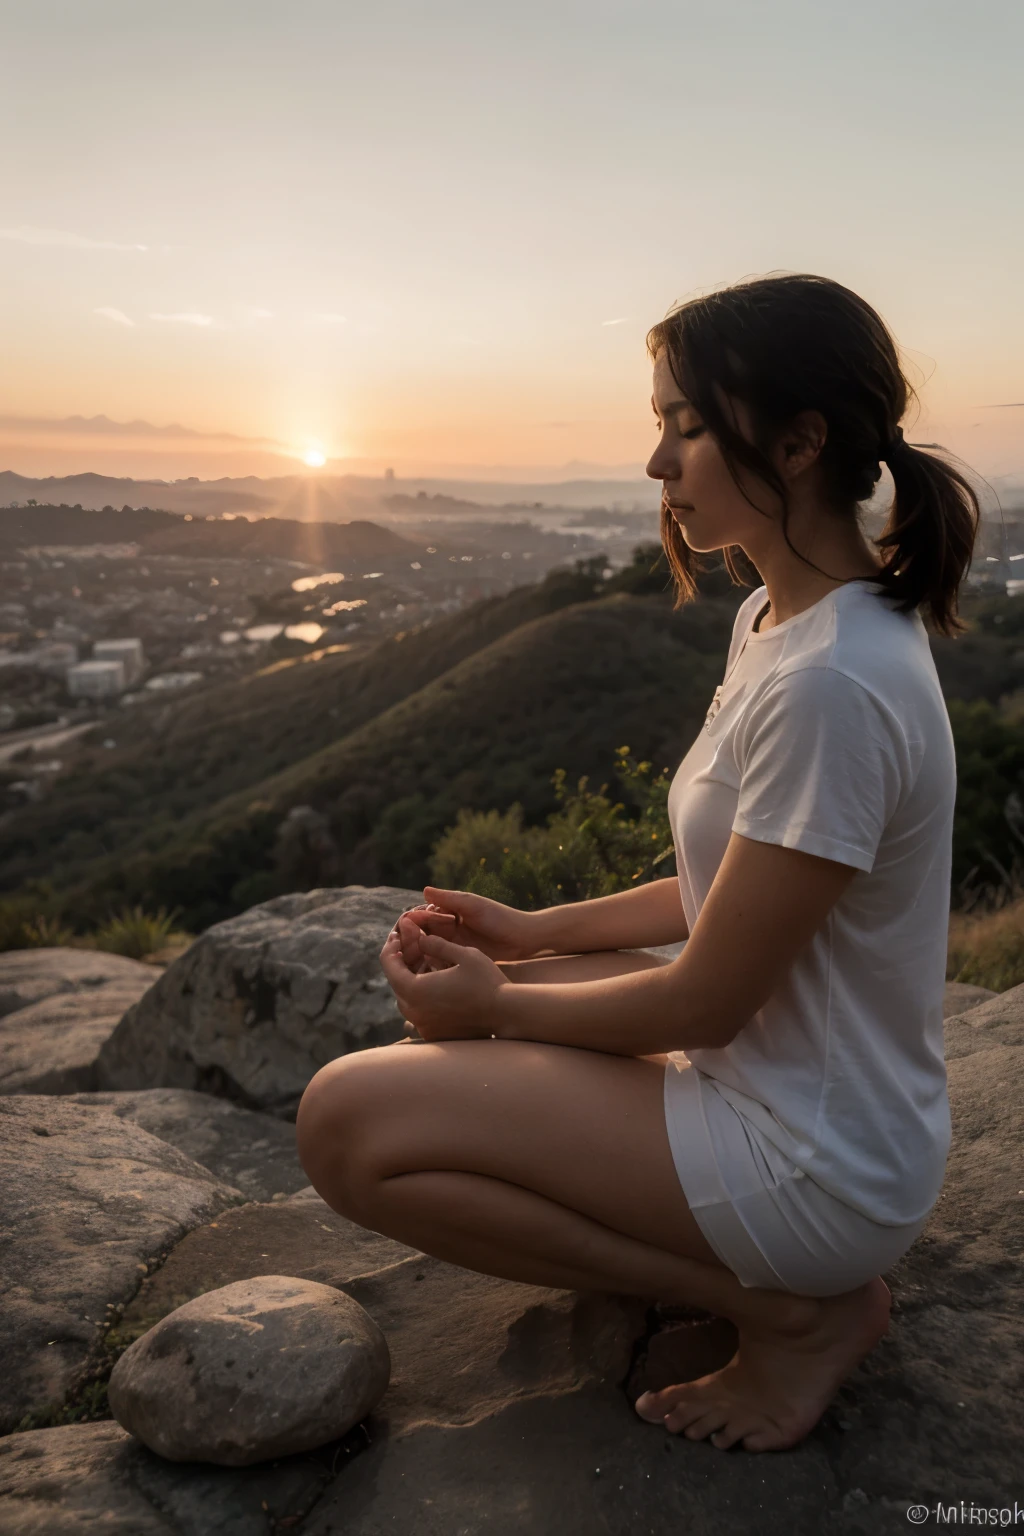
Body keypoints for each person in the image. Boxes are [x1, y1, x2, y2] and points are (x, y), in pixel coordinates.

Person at [295, 272, 980, 1453]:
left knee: (344, 1124)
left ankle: (781, 1310)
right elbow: (737, 890)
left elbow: (708, 990)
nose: (657, 464)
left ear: (800, 441)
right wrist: (528, 936)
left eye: (687, 426)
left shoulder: (831, 681)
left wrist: (505, 998)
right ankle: (746, 1276)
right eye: (659, 426)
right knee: (447, 1037)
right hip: (786, 1093)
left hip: (810, 1159)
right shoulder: (783, 624)